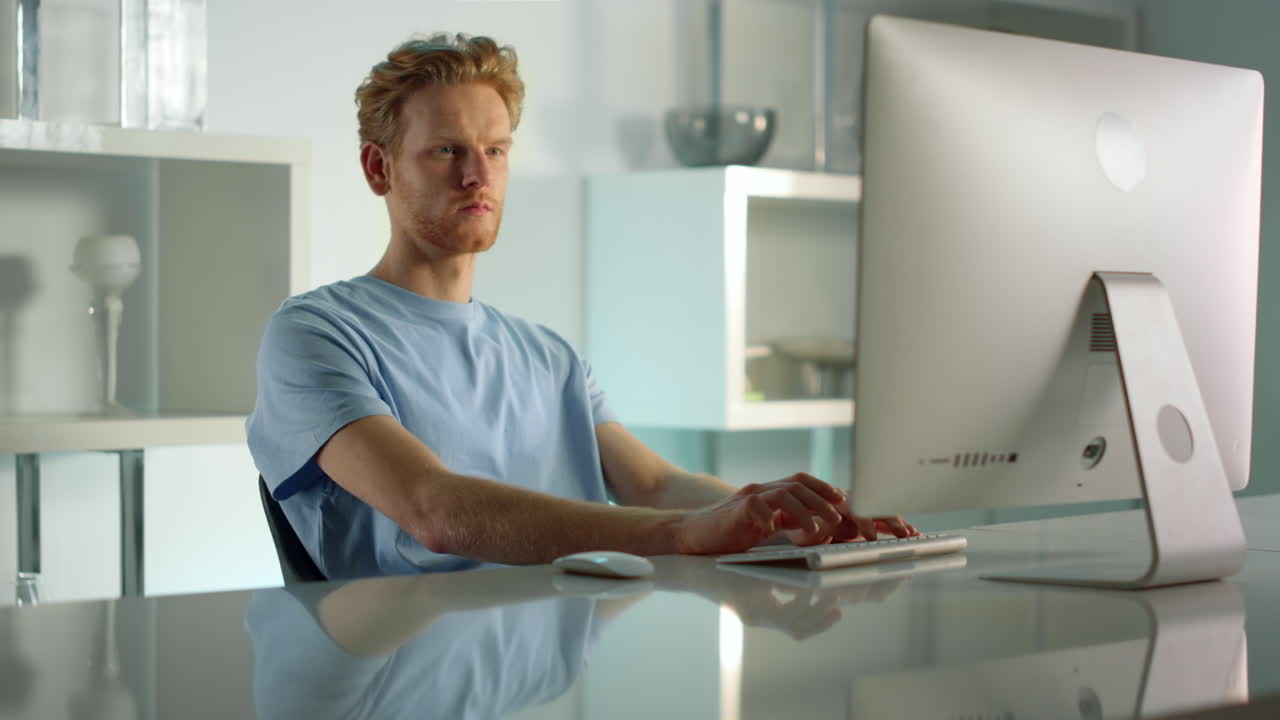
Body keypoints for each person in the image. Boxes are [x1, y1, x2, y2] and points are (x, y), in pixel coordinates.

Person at [247, 33, 918, 581]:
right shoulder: (316, 335)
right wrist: (686, 534)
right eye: (447, 150)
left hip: (558, 671)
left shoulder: (547, 355)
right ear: (378, 169)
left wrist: (792, 512)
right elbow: (435, 510)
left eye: (496, 150)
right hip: (407, 682)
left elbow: (653, 485)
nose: (477, 175)